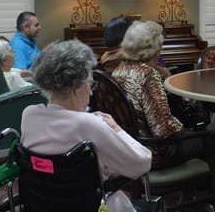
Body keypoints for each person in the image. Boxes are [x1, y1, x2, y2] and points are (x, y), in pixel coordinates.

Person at [21, 40, 151, 212]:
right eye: (91, 84)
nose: (91, 92)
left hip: (44, 205)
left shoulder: (29, 115)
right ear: (77, 87)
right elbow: (141, 163)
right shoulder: (89, 124)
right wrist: (117, 129)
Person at [112, 20, 202, 166]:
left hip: (127, 147)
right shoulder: (148, 75)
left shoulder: (120, 69)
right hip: (152, 151)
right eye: (159, 47)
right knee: (209, 138)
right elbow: (163, 129)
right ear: (152, 49)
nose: (160, 52)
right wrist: (188, 130)